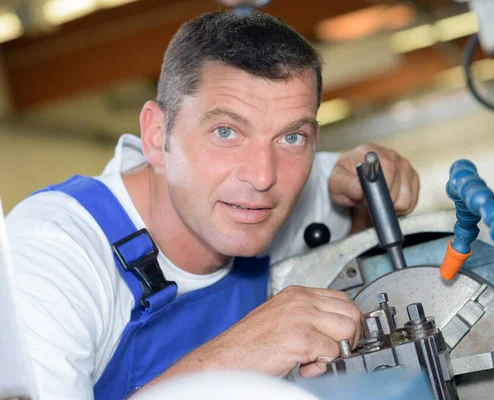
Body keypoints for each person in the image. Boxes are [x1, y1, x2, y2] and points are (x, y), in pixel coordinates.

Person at [5, 10, 419, 400]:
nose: (263, 177)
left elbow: (353, 188)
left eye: (292, 137)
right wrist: (231, 362)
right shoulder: (52, 254)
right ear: (154, 135)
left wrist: (376, 180)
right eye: (226, 131)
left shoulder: (289, 195)